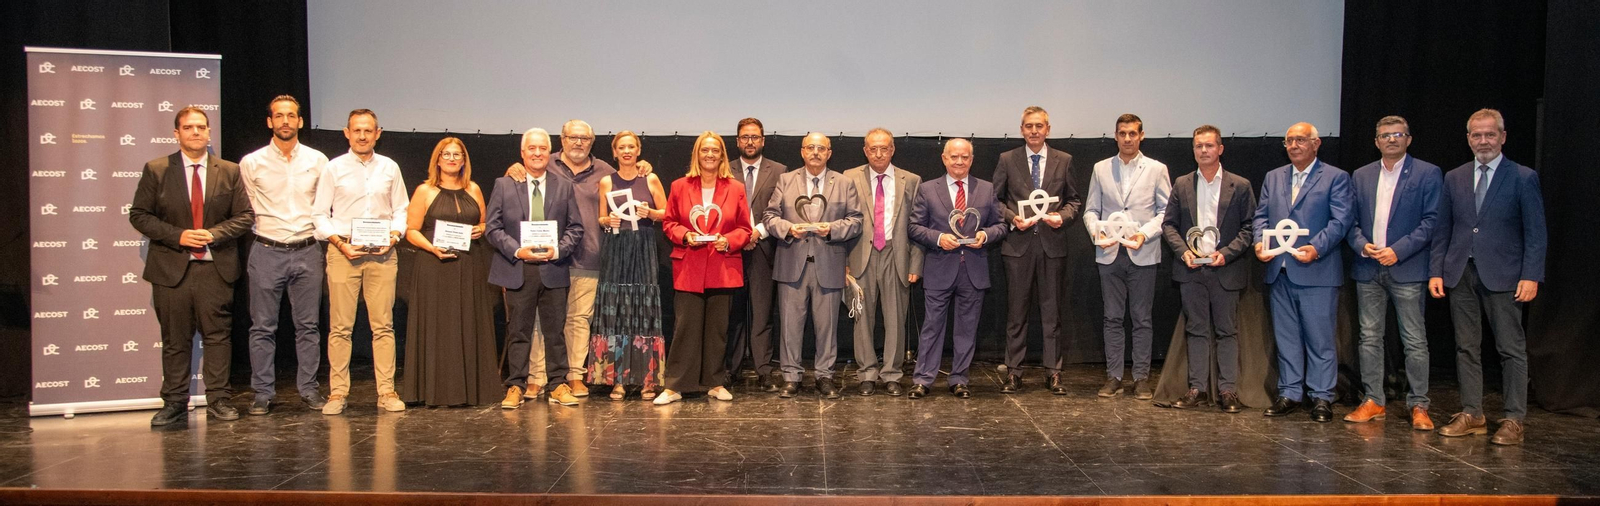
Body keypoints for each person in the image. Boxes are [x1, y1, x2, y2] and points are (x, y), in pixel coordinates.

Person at [130, 107, 254, 426]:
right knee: (175, 340)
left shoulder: (228, 170)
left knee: (218, 338)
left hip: (216, 268)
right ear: (177, 134)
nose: (195, 132)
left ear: (209, 132)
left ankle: (219, 400)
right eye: (188, 127)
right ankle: (173, 402)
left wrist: (213, 233)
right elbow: (139, 215)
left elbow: (244, 217)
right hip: (172, 269)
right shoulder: (157, 169)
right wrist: (180, 235)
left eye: (201, 126)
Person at [1430, 108, 1546, 445]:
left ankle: (1513, 419)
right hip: (1460, 273)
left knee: (1511, 348)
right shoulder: (1454, 177)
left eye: (1490, 134)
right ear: (1468, 139)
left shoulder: (1523, 177)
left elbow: (1536, 233)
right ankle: (1473, 413)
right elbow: (1442, 229)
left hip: (1505, 274)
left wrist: (1531, 275)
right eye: (1477, 135)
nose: (1483, 140)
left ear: (1502, 137)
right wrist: (1436, 270)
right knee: (1466, 347)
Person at [1343, 115, 1443, 430]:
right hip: (1368, 266)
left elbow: (1431, 221)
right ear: (1376, 141)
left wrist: (1397, 250)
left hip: (1407, 267)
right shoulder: (1360, 175)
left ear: (1408, 139)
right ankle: (1373, 400)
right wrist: (1361, 245)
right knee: (1369, 337)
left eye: (1398, 134)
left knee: (1414, 339)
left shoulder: (1427, 173)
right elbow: (1350, 221)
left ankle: (1419, 406)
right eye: (1385, 135)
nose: (1391, 139)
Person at [1253, 122, 1353, 423]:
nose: (1294, 145)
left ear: (1316, 143)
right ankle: (1290, 393)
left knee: (1320, 339)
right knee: (1286, 338)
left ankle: (1322, 396)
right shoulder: (1274, 177)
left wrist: (1316, 247)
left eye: (1300, 140)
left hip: (1317, 271)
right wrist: (1259, 242)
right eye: (1289, 141)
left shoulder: (1336, 177)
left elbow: (1341, 220)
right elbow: (1261, 216)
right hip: (1279, 271)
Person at [312, 109, 410, 415]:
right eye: (357, 130)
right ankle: (338, 393)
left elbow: (401, 210)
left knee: (383, 326)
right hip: (344, 252)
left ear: (378, 133)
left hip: (382, 254)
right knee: (340, 327)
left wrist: (393, 238)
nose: (363, 136)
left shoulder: (390, 168)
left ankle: (386, 391)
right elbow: (318, 214)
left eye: (368, 131)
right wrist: (340, 244)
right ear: (346, 133)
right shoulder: (334, 168)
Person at [237, 95, 329, 415]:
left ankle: (309, 389)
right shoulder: (252, 162)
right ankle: (263, 392)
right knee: (262, 327)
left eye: (291, 115)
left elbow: (325, 206)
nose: (285, 121)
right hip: (267, 250)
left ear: (301, 121)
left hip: (307, 249)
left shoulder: (318, 161)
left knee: (309, 326)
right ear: (270, 122)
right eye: (279, 116)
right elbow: (244, 207)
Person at [487, 128, 585, 408]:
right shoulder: (504, 185)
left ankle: (557, 384)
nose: (538, 153)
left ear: (550, 153)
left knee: (555, 332)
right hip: (518, 267)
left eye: (543, 148)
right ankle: (516, 385)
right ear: (523, 152)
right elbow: (492, 228)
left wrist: (559, 249)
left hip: (553, 267)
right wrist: (517, 250)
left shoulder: (563, 186)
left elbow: (575, 227)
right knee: (519, 330)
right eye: (532, 148)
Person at [1160, 125, 1255, 413]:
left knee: (1227, 331)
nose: (1203, 150)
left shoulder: (1240, 185)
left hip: (1225, 269)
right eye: (1199, 146)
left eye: (1209, 146)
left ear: (1220, 149)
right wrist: (1184, 252)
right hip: (1191, 271)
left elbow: (1249, 228)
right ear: (1193, 149)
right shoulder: (1182, 184)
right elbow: (1169, 225)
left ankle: (1228, 391)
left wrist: (1225, 255)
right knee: (1196, 330)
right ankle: (1197, 388)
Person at [762, 132, 864, 399]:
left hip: (828, 263)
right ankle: (791, 376)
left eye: (822, 148)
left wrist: (831, 229)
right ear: (802, 151)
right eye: (811, 147)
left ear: (829, 153)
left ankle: (824, 376)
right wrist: (787, 228)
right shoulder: (786, 180)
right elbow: (770, 216)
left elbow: (856, 221)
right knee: (790, 326)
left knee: (827, 325)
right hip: (792, 263)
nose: (816, 152)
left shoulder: (843, 183)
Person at [400, 137, 497, 407]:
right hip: (435, 265)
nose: (452, 159)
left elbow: (482, 221)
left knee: (467, 322)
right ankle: (436, 390)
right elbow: (411, 230)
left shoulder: (474, 189)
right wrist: (432, 248)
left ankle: (470, 390)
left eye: (458, 155)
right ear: (438, 159)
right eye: (447, 154)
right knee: (439, 327)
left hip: (469, 265)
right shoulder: (424, 191)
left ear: (464, 160)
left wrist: (482, 228)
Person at [907, 139, 1008, 399]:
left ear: (971, 160)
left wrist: (985, 235)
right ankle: (923, 379)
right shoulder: (928, 189)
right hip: (940, 267)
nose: (959, 162)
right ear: (944, 158)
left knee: (966, 329)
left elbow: (1001, 225)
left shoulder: (986, 189)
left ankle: (960, 379)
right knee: (932, 327)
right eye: (954, 157)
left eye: (964, 157)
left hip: (973, 270)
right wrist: (939, 239)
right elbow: (914, 226)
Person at [658, 132, 753, 405]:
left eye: (715, 151)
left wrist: (729, 241)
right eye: (705, 151)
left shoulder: (734, 188)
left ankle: (714, 382)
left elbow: (745, 229)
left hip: (723, 267)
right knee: (685, 327)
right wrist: (684, 235)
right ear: (697, 155)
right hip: (689, 266)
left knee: (717, 330)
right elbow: (669, 222)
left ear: (722, 155)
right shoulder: (679, 186)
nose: (710, 155)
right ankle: (675, 386)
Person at [992, 106, 1081, 395]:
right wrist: (1010, 218)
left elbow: (1074, 202)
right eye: (1028, 126)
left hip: (1052, 246)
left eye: (1039, 126)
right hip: (1017, 246)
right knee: (1016, 313)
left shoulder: (1064, 160)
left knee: (1052, 312)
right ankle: (1014, 372)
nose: (1034, 131)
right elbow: (994, 201)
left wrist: (1062, 217)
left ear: (1048, 129)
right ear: (1021, 130)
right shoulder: (1007, 159)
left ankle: (1053, 372)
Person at [1083, 114, 1170, 400]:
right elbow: (1091, 211)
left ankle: (1141, 378)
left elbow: (1164, 213)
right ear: (1116, 136)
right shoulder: (1100, 168)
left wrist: (1143, 235)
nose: (1128, 138)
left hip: (1142, 253)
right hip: (1109, 254)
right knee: (1112, 318)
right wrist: (1097, 232)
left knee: (1142, 318)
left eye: (1133, 133)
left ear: (1141, 135)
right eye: (1122, 133)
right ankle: (1114, 377)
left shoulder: (1157, 169)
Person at [590, 131, 669, 400]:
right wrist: (606, 221)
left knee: (644, 309)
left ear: (638, 150)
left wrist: (652, 213)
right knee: (618, 310)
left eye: (631, 146)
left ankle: (648, 379)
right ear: (614, 152)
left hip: (644, 247)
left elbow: (668, 213)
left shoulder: (650, 178)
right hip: (616, 248)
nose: (626, 151)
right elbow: (601, 217)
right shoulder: (605, 182)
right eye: (621, 147)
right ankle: (617, 380)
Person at [843, 128, 923, 396]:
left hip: (895, 254)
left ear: (892, 150)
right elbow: (843, 219)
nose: (879, 153)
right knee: (862, 318)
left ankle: (891, 373)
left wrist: (916, 264)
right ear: (865, 150)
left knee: (895, 319)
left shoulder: (910, 180)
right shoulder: (849, 177)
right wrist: (842, 261)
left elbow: (917, 225)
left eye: (884, 148)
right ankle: (866, 373)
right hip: (860, 256)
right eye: (873, 148)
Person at [725, 118, 788, 392]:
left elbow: (781, 208)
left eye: (755, 137)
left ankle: (764, 370)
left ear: (763, 140)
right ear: (737, 141)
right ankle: (730, 369)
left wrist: (758, 232)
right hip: (731, 252)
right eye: (744, 137)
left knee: (763, 313)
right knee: (733, 313)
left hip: (764, 248)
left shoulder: (781, 171)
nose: (750, 142)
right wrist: (739, 236)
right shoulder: (723, 169)